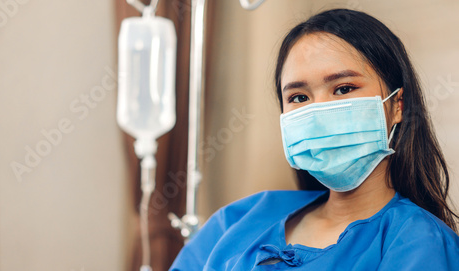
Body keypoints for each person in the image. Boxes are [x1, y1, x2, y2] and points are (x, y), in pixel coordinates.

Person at [169, 8, 459, 270]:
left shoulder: (420, 242)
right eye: (299, 97)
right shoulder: (239, 220)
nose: (318, 111)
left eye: (344, 89)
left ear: (398, 106)